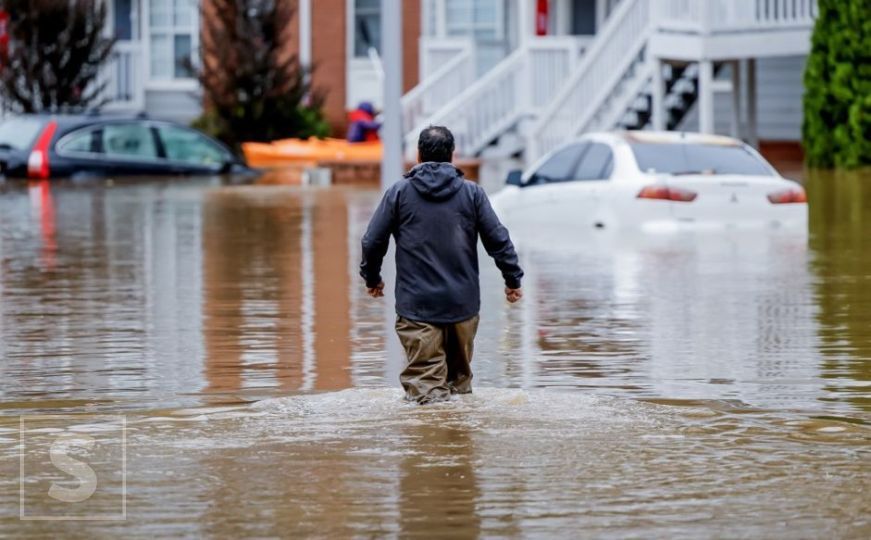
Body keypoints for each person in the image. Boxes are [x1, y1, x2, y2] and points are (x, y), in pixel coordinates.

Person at [360, 126, 524, 404]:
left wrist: (372, 278)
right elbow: (499, 239)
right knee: (459, 387)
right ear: (452, 155)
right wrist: (512, 280)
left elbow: (372, 241)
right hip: (463, 307)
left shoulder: (399, 193)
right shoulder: (473, 193)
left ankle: (433, 444)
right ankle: (459, 446)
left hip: (417, 307)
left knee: (427, 393)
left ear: (418, 155)